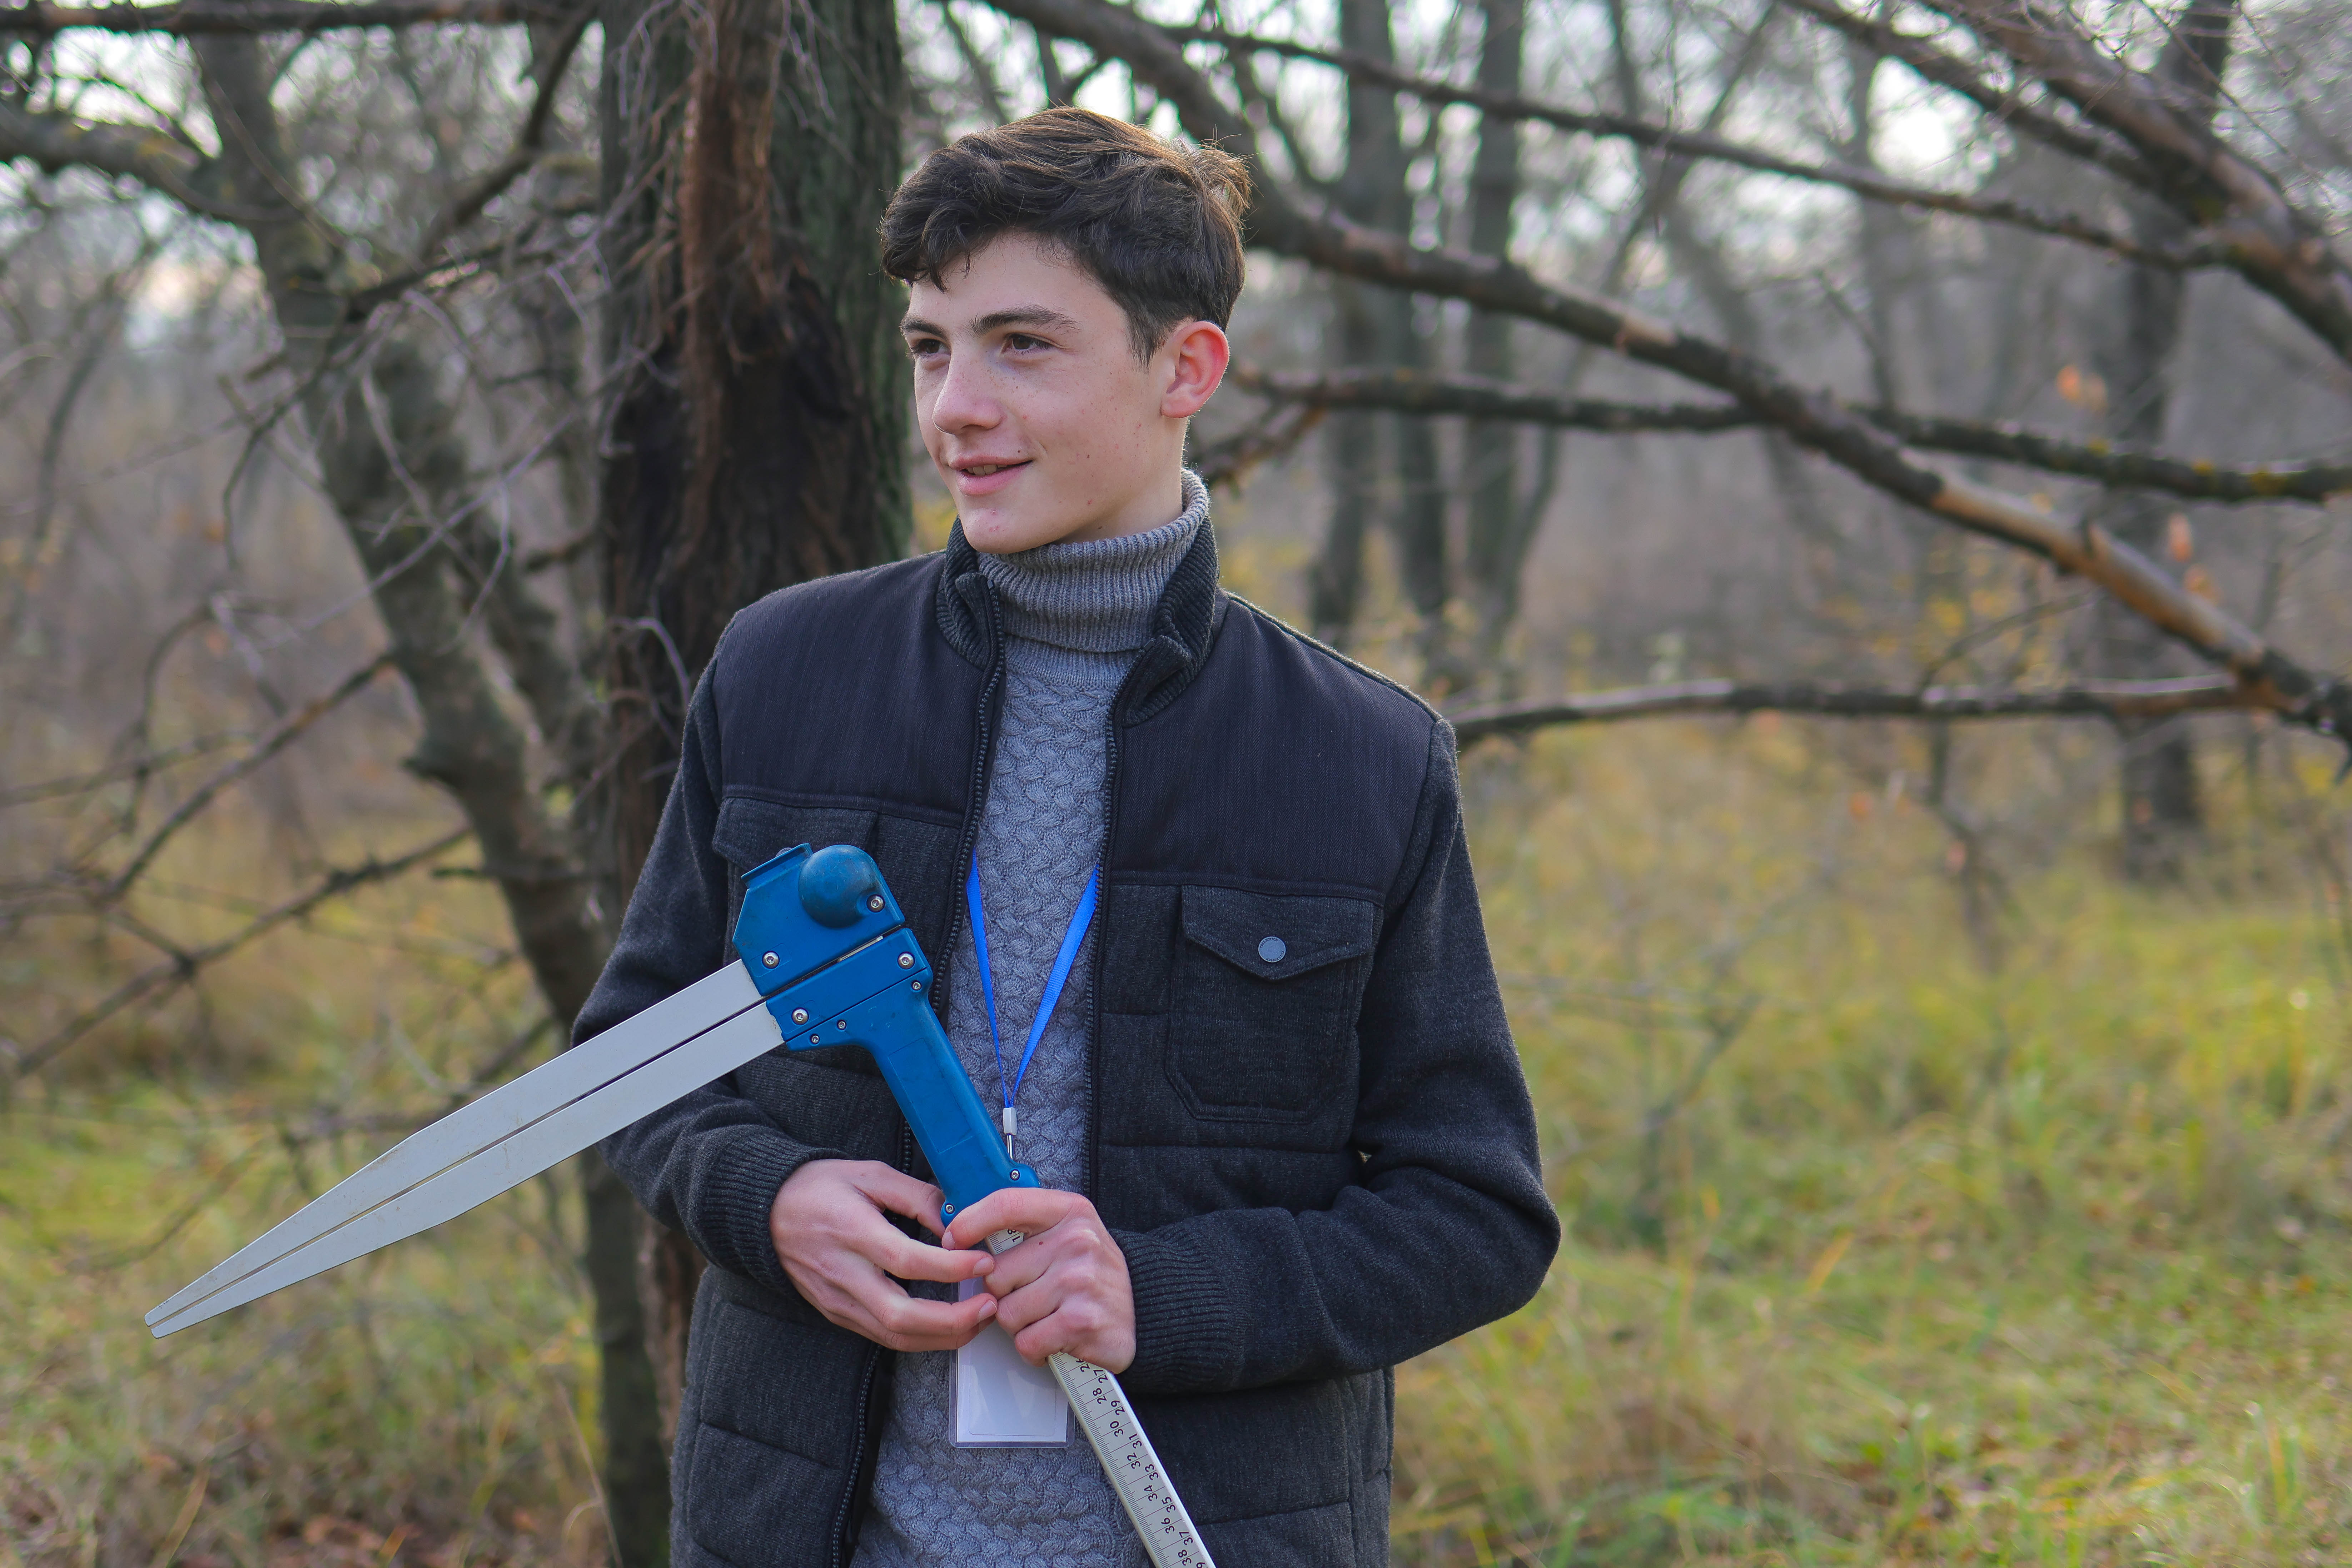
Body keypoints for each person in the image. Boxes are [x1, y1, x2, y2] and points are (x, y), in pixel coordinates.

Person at [582, 105, 1559, 1568]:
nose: (954, 409)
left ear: (1186, 369)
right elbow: (632, 1057)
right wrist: (764, 1197)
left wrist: (1165, 1298)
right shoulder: (785, 676)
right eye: (931, 348)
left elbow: (1472, 1215)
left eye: (1022, 346)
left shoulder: (1361, 758)